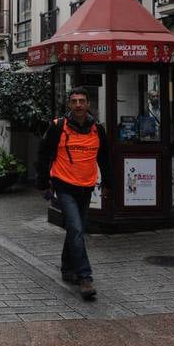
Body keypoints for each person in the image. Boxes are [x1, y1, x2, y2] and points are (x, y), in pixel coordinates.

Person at [36, 86, 114, 300]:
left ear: (88, 104)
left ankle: (67, 267)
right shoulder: (58, 127)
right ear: (69, 104)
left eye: (82, 101)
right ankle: (85, 277)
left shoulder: (98, 129)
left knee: (74, 229)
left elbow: (104, 158)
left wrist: (108, 183)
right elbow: (43, 155)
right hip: (64, 186)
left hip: (86, 187)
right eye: (74, 101)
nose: (78, 105)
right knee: (77, 229)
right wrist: (43, 183)